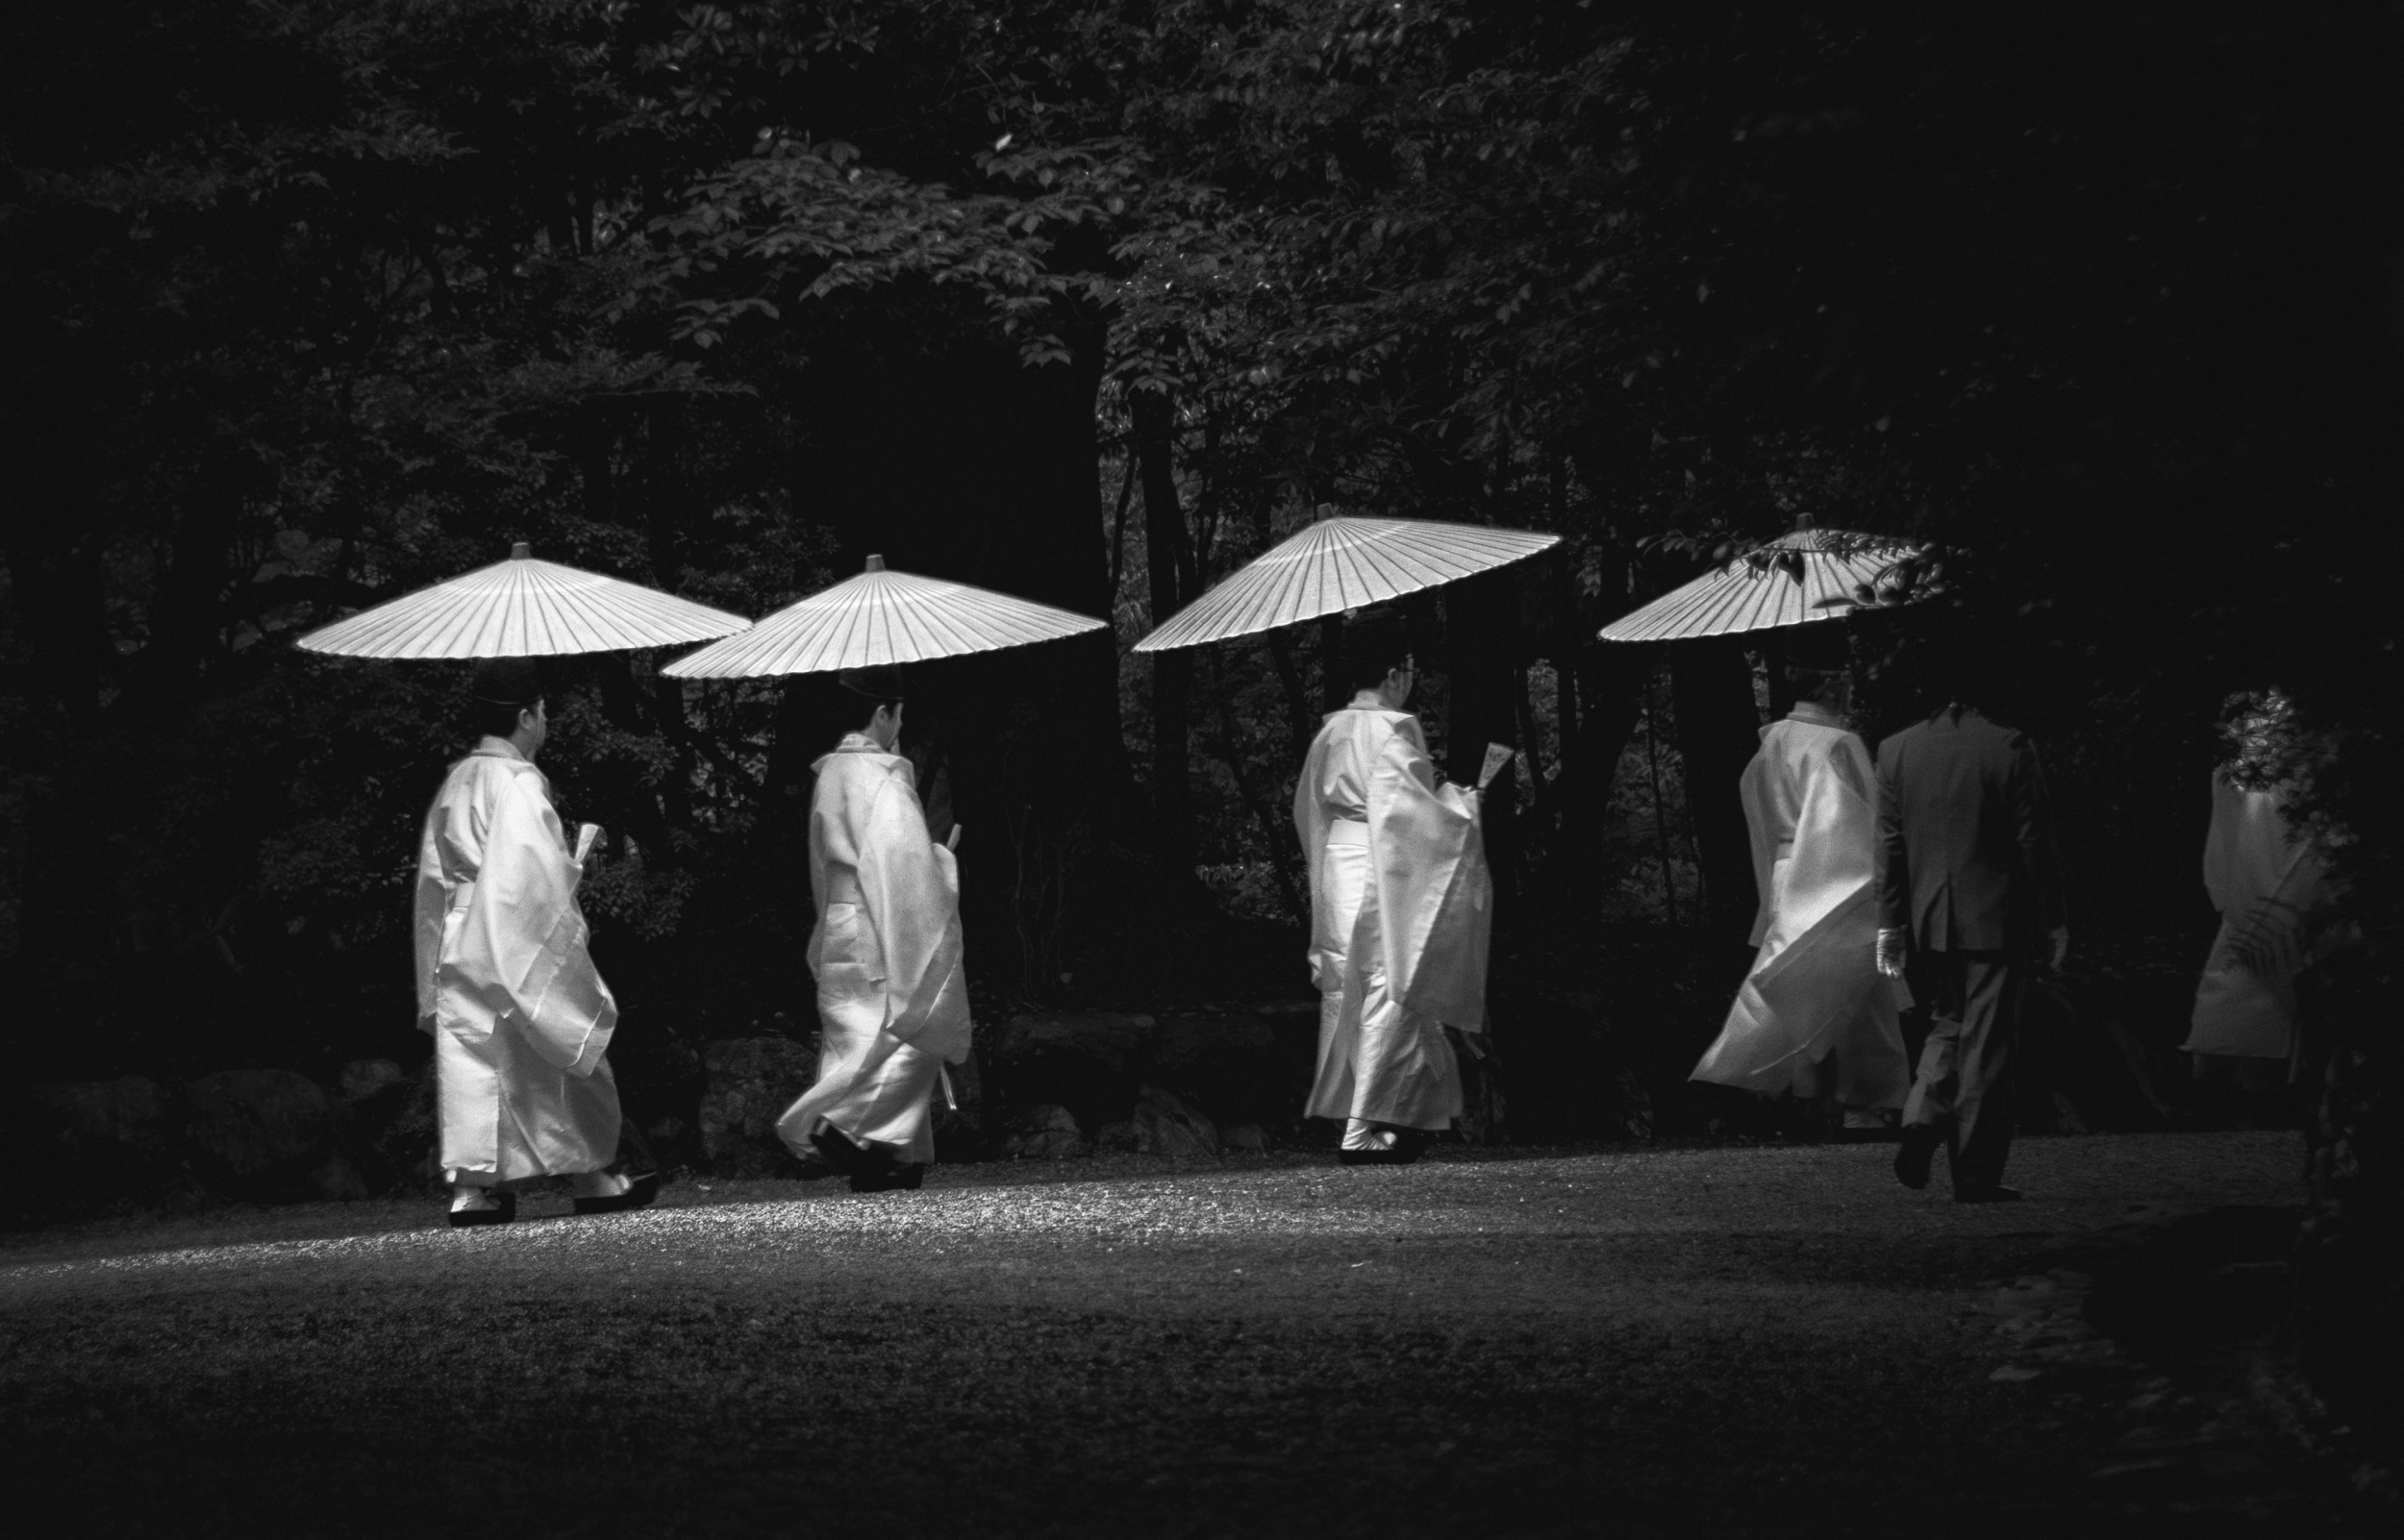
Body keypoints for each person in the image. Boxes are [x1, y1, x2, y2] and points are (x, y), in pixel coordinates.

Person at [413, 657, 656, 1228]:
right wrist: (566, 874)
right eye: (543, 712)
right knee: (551, 1045)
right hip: (507, 929)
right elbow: (527, 879)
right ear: (526, 716)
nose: (546, 721)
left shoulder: (457, 780)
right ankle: (593, 1175)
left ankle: (472, 1191)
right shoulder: (517, 783)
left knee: (474, 1059)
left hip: (458, 932)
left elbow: (433, 879)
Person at [1292, 608, 1494, 1166]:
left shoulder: (1331, 731)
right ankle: (1364, 1125)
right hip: (1380, 865)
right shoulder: (1393, 731)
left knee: (1346, 981)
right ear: (1395, 672)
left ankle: (1358, 1115)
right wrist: (1464, 804)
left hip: (1339, 861)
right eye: (1410, 668)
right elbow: (1412, 816)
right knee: (1390, 982)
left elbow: (1309, 808)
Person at [1690, 630, 1911, 1122]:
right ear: (1832, 686)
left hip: (1786, 871)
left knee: (1804, 980)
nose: (1851, 691)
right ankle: (1862, 1099)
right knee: (1849, 979)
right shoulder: (1836, 743)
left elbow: (1760, 818)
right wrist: (1882, 875)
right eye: (1846, 682)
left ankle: (1806, 1093)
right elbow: (1853, 821)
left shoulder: (1773, 743)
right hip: (1830, 869)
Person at [1873, 658, 2066, 1203]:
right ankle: (1975, 1170)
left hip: (1930, 916)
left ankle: (1920, 1118)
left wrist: (1890, 923)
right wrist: (2054, 919)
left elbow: (1889, 844)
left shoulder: (1896, 749)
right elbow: (2033, 843)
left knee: (1949, 1023)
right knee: (1988, 1043)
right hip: (1997, 914)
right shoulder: (2007, 746)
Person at [775, 667, 971, 1193]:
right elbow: (901, 866)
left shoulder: (832, 774)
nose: (900, 724)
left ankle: (894, 1155)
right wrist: (940, 866)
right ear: (882, 713)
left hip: (840, 920)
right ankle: (847, 1125)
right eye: (898, 714)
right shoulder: (880, 778)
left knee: (858, 1039)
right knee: (913, 1026)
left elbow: (823, 863)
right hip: (877, 918)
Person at [2184, 689, 2348, 1071]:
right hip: (2265, 860)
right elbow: (2230, 801)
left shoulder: (2279, 718)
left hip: (2291, 863)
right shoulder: (2262, 719)